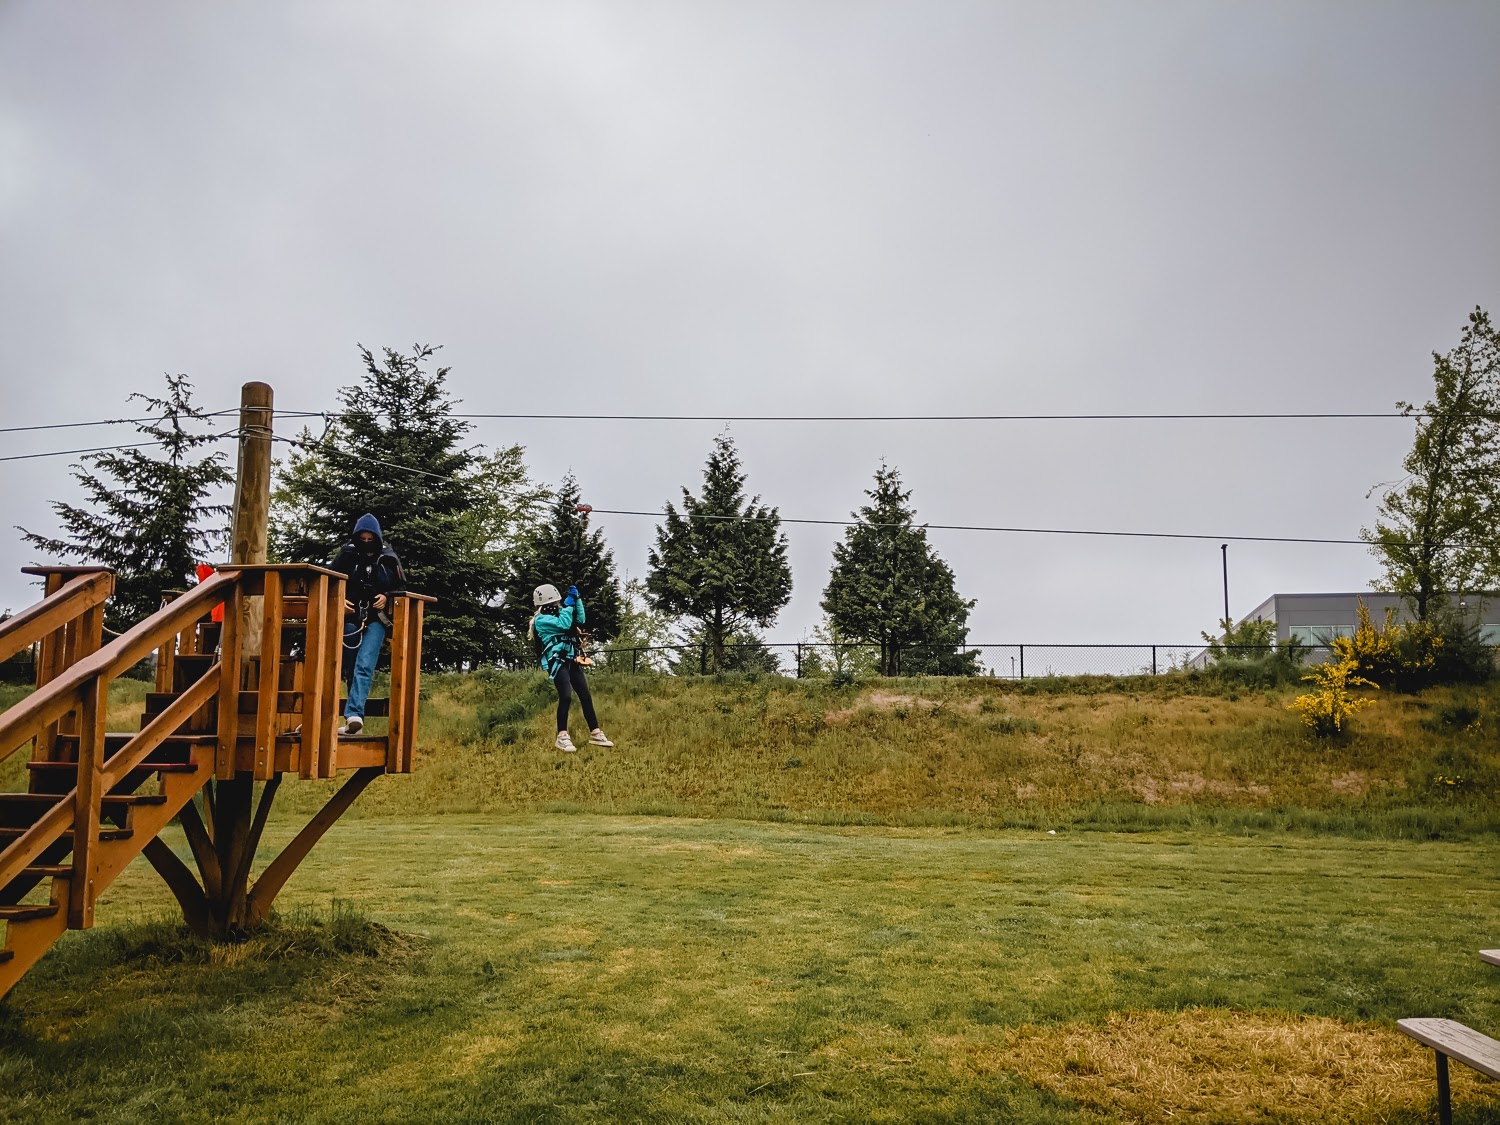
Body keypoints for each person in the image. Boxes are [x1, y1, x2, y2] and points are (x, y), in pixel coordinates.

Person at [328, 513, 406, 735]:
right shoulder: (347, 555)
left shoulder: (389, 558)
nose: (365, 542)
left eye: (369, 538)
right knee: (350, 666)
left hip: (377, 619)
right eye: (362, 538)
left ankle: (354, 714)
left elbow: (402, 586)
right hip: (350, 618)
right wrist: (339, 598)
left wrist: (388, 596)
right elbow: (330, 581)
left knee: (365, 663)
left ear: (376, 537)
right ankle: (353, 723)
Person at [529, 583, 613, 752]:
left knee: (585, 695)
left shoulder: (561, 613)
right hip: (556, 661)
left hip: (570, 658)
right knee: (566, 696)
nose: (556, 606)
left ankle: (596, 732)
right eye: (553, 604)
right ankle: (562, 736)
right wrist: (568, 605)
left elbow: (579, 620)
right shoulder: (541, 620)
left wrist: (577, 599)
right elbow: (564, 625)